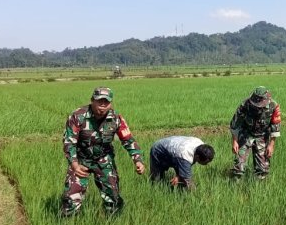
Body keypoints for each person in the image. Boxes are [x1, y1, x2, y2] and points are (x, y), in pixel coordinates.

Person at [61, 87, 146, 216]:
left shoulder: (116, 118)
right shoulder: (78, 116)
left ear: (110, 103)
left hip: (104, 159)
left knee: (113, 197)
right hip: (81, 160)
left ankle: (113, 223)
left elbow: (128, 140)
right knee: (71, 198)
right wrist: (74, 165)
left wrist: (138, 160)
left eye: (106, 102)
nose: (103, 105)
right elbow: (69, 142)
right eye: (99, 101)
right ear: (92, 101)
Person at [230, 86, 281, 180]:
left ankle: (260, 188)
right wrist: (235, 141)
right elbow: (235, 124)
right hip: (245, 134)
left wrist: (271, 145)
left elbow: (275, 126)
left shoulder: (274, 106)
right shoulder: (245, 104)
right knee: (239, 165)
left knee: (263, 169)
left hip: (262, 136)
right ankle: (235, 184)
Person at [149, 136, 215, 190]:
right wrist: (196, 195)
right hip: (158, 151)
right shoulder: (185, 155)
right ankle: (157, 191)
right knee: (157, 181)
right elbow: (189, 182)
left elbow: (185, 166)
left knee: (182, 178)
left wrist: (180, 176)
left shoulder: (201, 146)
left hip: (175, 151)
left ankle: (179, 191)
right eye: (205, 162)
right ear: (197, 157)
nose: (207, 164)